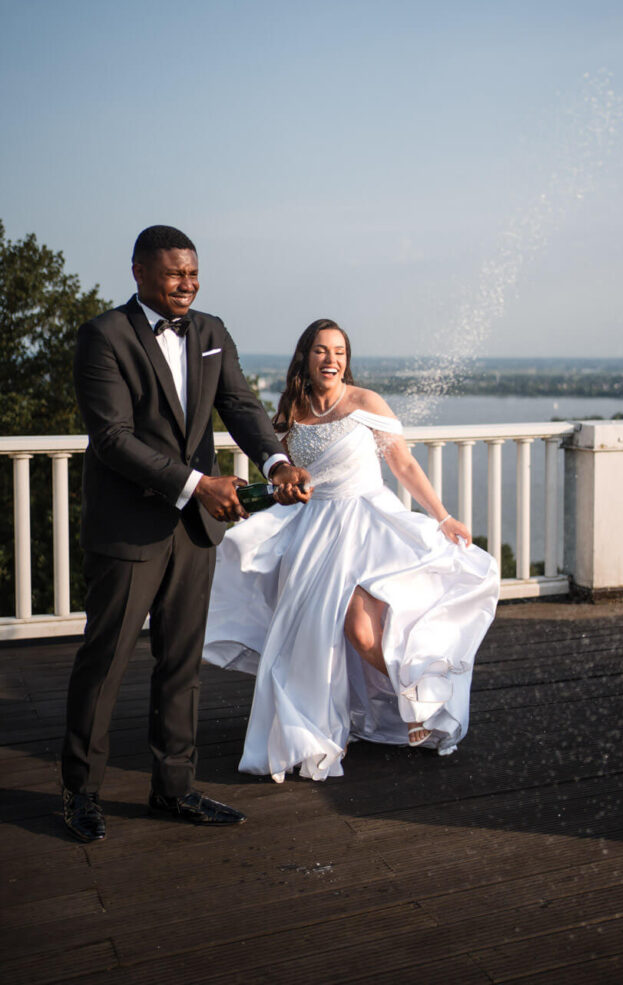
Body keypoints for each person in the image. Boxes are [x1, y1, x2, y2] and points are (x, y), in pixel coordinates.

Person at [61, 225, 310, 842]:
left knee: (181, 664)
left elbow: (243, 407)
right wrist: (200, 484)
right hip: (130, 527)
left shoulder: (211, 331)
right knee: (106, 662)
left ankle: (174, 790)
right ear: (140, 272)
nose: (187, 285)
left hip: (194, 532)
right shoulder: (103, 337)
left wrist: (277, 463)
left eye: (193, 274)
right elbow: (113, 438)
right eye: (175, 274)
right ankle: (79, 794)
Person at [203, 318, 499, 782]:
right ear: (305, 357)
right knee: (311, 639)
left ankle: (419, 699)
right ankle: (318, 731)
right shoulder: (290, 414)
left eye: (340, 351)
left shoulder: (365, 404)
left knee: (362, 633)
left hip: (364, 528)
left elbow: (402, 463)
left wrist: (441, 516)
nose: (332, 359)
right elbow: (287, 477)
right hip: (310, 532)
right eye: (321, 350)